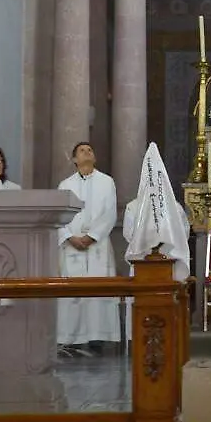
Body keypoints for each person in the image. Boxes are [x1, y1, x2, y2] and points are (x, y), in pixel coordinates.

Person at [56, 142, 121, 354]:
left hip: (97, 245)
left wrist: (92, 236)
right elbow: (58, 215)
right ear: (74, 159)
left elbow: (110, 213)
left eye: (90, 150)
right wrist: (69, 237)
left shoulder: (106, 181)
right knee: (73, 292)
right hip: (72, 245)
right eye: (82, 151)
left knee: (97, 291)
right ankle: (71, 338)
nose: (87, 153)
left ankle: (97, 337)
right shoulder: (65, 185)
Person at [123, 143, 192, 341]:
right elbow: (129, 234)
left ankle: (171, 339)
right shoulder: (133, 207)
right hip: (143, 264)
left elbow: (183, 232)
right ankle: (139, 339)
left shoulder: (175, 208)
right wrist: (152, 245)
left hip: (168, 264)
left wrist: (160, 246)